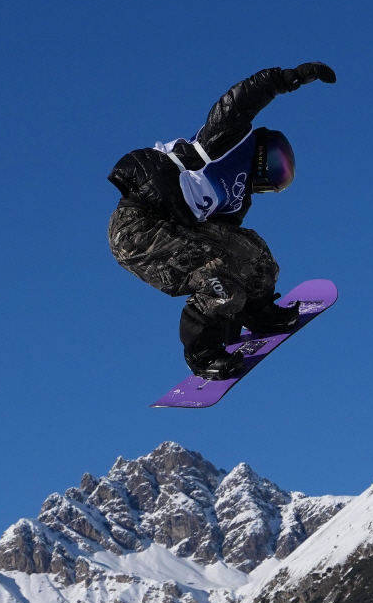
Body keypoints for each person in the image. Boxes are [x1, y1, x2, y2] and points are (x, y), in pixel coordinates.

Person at [106, 62, 337, 379]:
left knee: (253, 252)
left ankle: (258, 313)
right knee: (219, 278)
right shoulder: (227, 142)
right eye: (277, 168)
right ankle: (202, 353)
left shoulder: (238, 199)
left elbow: (229, 242)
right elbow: (239, 101)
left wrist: (241, 302)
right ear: (264, 153)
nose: (273, 181)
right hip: (137, 228)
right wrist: (289, 78)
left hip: (178, 227)